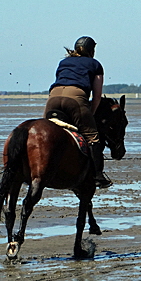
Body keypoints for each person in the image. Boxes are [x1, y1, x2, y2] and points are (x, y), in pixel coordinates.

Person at [43, 36, 113, 188]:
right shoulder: (95, 64)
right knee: (93, 137)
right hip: (75, 98)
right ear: (91, 50)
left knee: (46, 133)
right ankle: (98, 176)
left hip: (53, 97)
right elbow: (97, 96)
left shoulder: (63, 62)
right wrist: (91, 114)